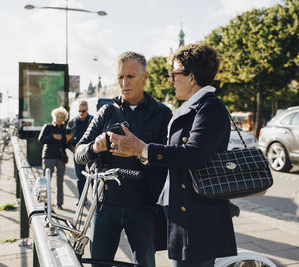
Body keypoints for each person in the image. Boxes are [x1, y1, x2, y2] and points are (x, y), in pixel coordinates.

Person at [108, 43, 237, 267]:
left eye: (175, 74)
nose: (171, 80)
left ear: (192, 77)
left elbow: (194, 155)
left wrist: (143, 149)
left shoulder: (210, 108)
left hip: (199, 220)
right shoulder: (192, 107)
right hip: (183, 215)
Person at [75, 51, 172, 267]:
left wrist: (140, 151)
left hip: (144, 204)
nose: (124, 82)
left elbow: (169, 158)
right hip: (105, 203)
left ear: (145, 77)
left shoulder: (162, 114)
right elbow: (79, 153)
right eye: (120, 77)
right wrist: (95, 146)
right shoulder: (106, 111)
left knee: (145, 263)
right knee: (99, 263)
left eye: (130, 76)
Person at [38, 106, 71, 210]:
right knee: (46, 181)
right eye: (57, 116)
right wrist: (52, 136)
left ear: (64, 119)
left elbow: (65, 146)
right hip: (48, 157)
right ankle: (45, 204)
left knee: (60, 181)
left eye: (61, 117)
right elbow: (41, 140)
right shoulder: (48, 127)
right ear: (54, 116)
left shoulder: (65, 130)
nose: (59, 118)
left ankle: (59, 203)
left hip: (60, 158)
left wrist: (68, 141)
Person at [67, 100, 94, 205]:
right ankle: (82, 199)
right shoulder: (72, 122)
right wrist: (71, 148)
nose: (81, 113)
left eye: (83, 111)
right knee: (80, 177)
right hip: (77, 153)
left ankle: (95, 199)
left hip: (91, 152)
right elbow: (67, 139)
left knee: (93, 177)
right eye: (79, 111)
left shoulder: (93, 120)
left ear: (87, 110)